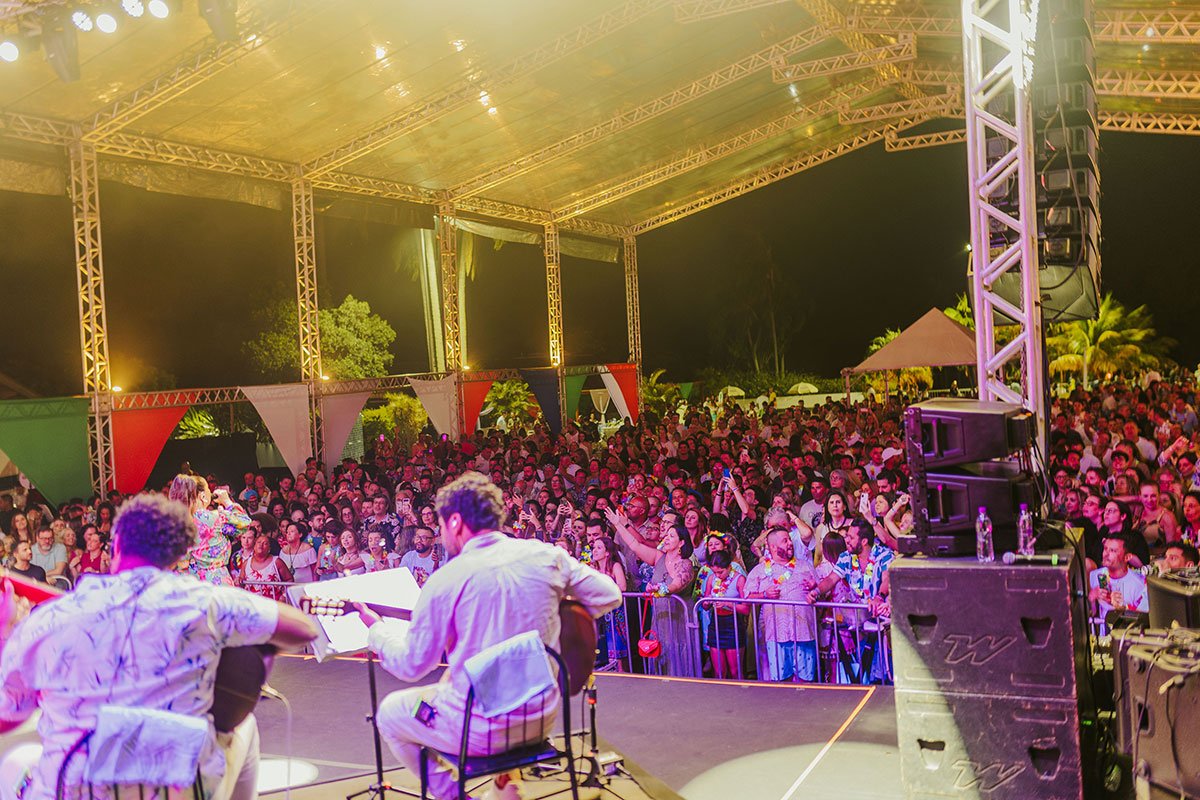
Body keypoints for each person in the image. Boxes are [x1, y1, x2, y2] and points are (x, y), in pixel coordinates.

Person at [0, 493, 317, 800]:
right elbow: (304, 629)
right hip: (180, 788)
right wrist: (247, 655)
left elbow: (7, 717)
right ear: (179, 555)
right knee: (244, 726)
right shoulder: (206, 601)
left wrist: (5, 629)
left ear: (116, 543)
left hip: (77, 788)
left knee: (17, 759)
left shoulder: (48, 620)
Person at [357, 472, 621, 800]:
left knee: (390, 713)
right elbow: (609, 594)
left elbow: (411, 666)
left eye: (441, 525)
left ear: (455, 522)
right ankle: (505, 786)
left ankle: (454, 796)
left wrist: (377, 631)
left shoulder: (446, 580)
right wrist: (554, 609)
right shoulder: (546, 556)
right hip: (540, 717)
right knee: (456, 680)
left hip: (480, 729)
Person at [745, 527, 819, 682]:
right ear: (772, 547)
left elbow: (820, 590)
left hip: (803, 632)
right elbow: (747, 596)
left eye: (790, 539)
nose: (790, 543)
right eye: (785, 541)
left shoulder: (805, 566)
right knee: (781, 681)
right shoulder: (760, 570)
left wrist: (815, 588)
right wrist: (764, 595)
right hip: (776, 634)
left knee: (806, 681)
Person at [169, 474, 251, 585]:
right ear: (202, 496)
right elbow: (245, 523)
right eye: (208, 488)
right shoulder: (214, 518)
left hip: (185, 582)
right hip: (214, 581)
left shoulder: (173, 521)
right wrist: (227, 501)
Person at [699, 550, 749, 679]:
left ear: (729, 567)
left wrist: (727, 603)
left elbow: (746, 609)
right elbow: (705, 605)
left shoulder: (739, 579)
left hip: (733, 624)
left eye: (720, 572)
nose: (717, 575)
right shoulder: (711, 579)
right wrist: (707, 602)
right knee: (719, 672)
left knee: (735, 671)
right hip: (716, 623)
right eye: (714, 572)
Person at [1088, 536, 1149, 617]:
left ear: (1127, 557)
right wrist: (1091, 597)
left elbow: (1142, 618)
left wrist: (1120, 608)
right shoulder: (1095, 575)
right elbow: (1090, 614)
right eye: (1105, 549)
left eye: (1113, 551)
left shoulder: (1139, 585)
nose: (1106, 554)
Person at [240, 533, 293, 601]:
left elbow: (289, 580)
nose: (261, 545)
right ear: (254, 546)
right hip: (252, 603)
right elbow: (241, 581)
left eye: (265, 543)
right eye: (258, 542)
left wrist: (284, 596)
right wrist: (238, 580)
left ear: (269, 549)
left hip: (273, 602)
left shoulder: (277, 562)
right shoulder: (246, 563)